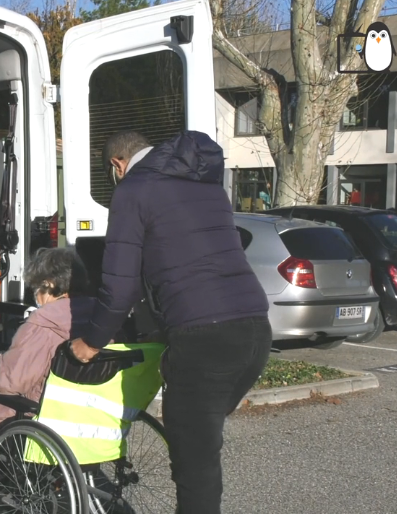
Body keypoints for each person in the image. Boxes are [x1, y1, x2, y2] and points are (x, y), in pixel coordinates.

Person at [70, 130, 272, 514]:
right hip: (254, 328)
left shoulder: (133, 189)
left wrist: (91, 342)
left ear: (118, 164)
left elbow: (120, 285)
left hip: (204, 335)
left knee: (195, 462)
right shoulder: (205, 185)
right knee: (200, 442)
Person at [0, 248, 100, 433]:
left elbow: (7, 383)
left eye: (36, 288)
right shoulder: (102, 319)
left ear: (48, 285)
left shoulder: (43, 323)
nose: (35, 295)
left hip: (41, 418)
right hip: (91, 419)